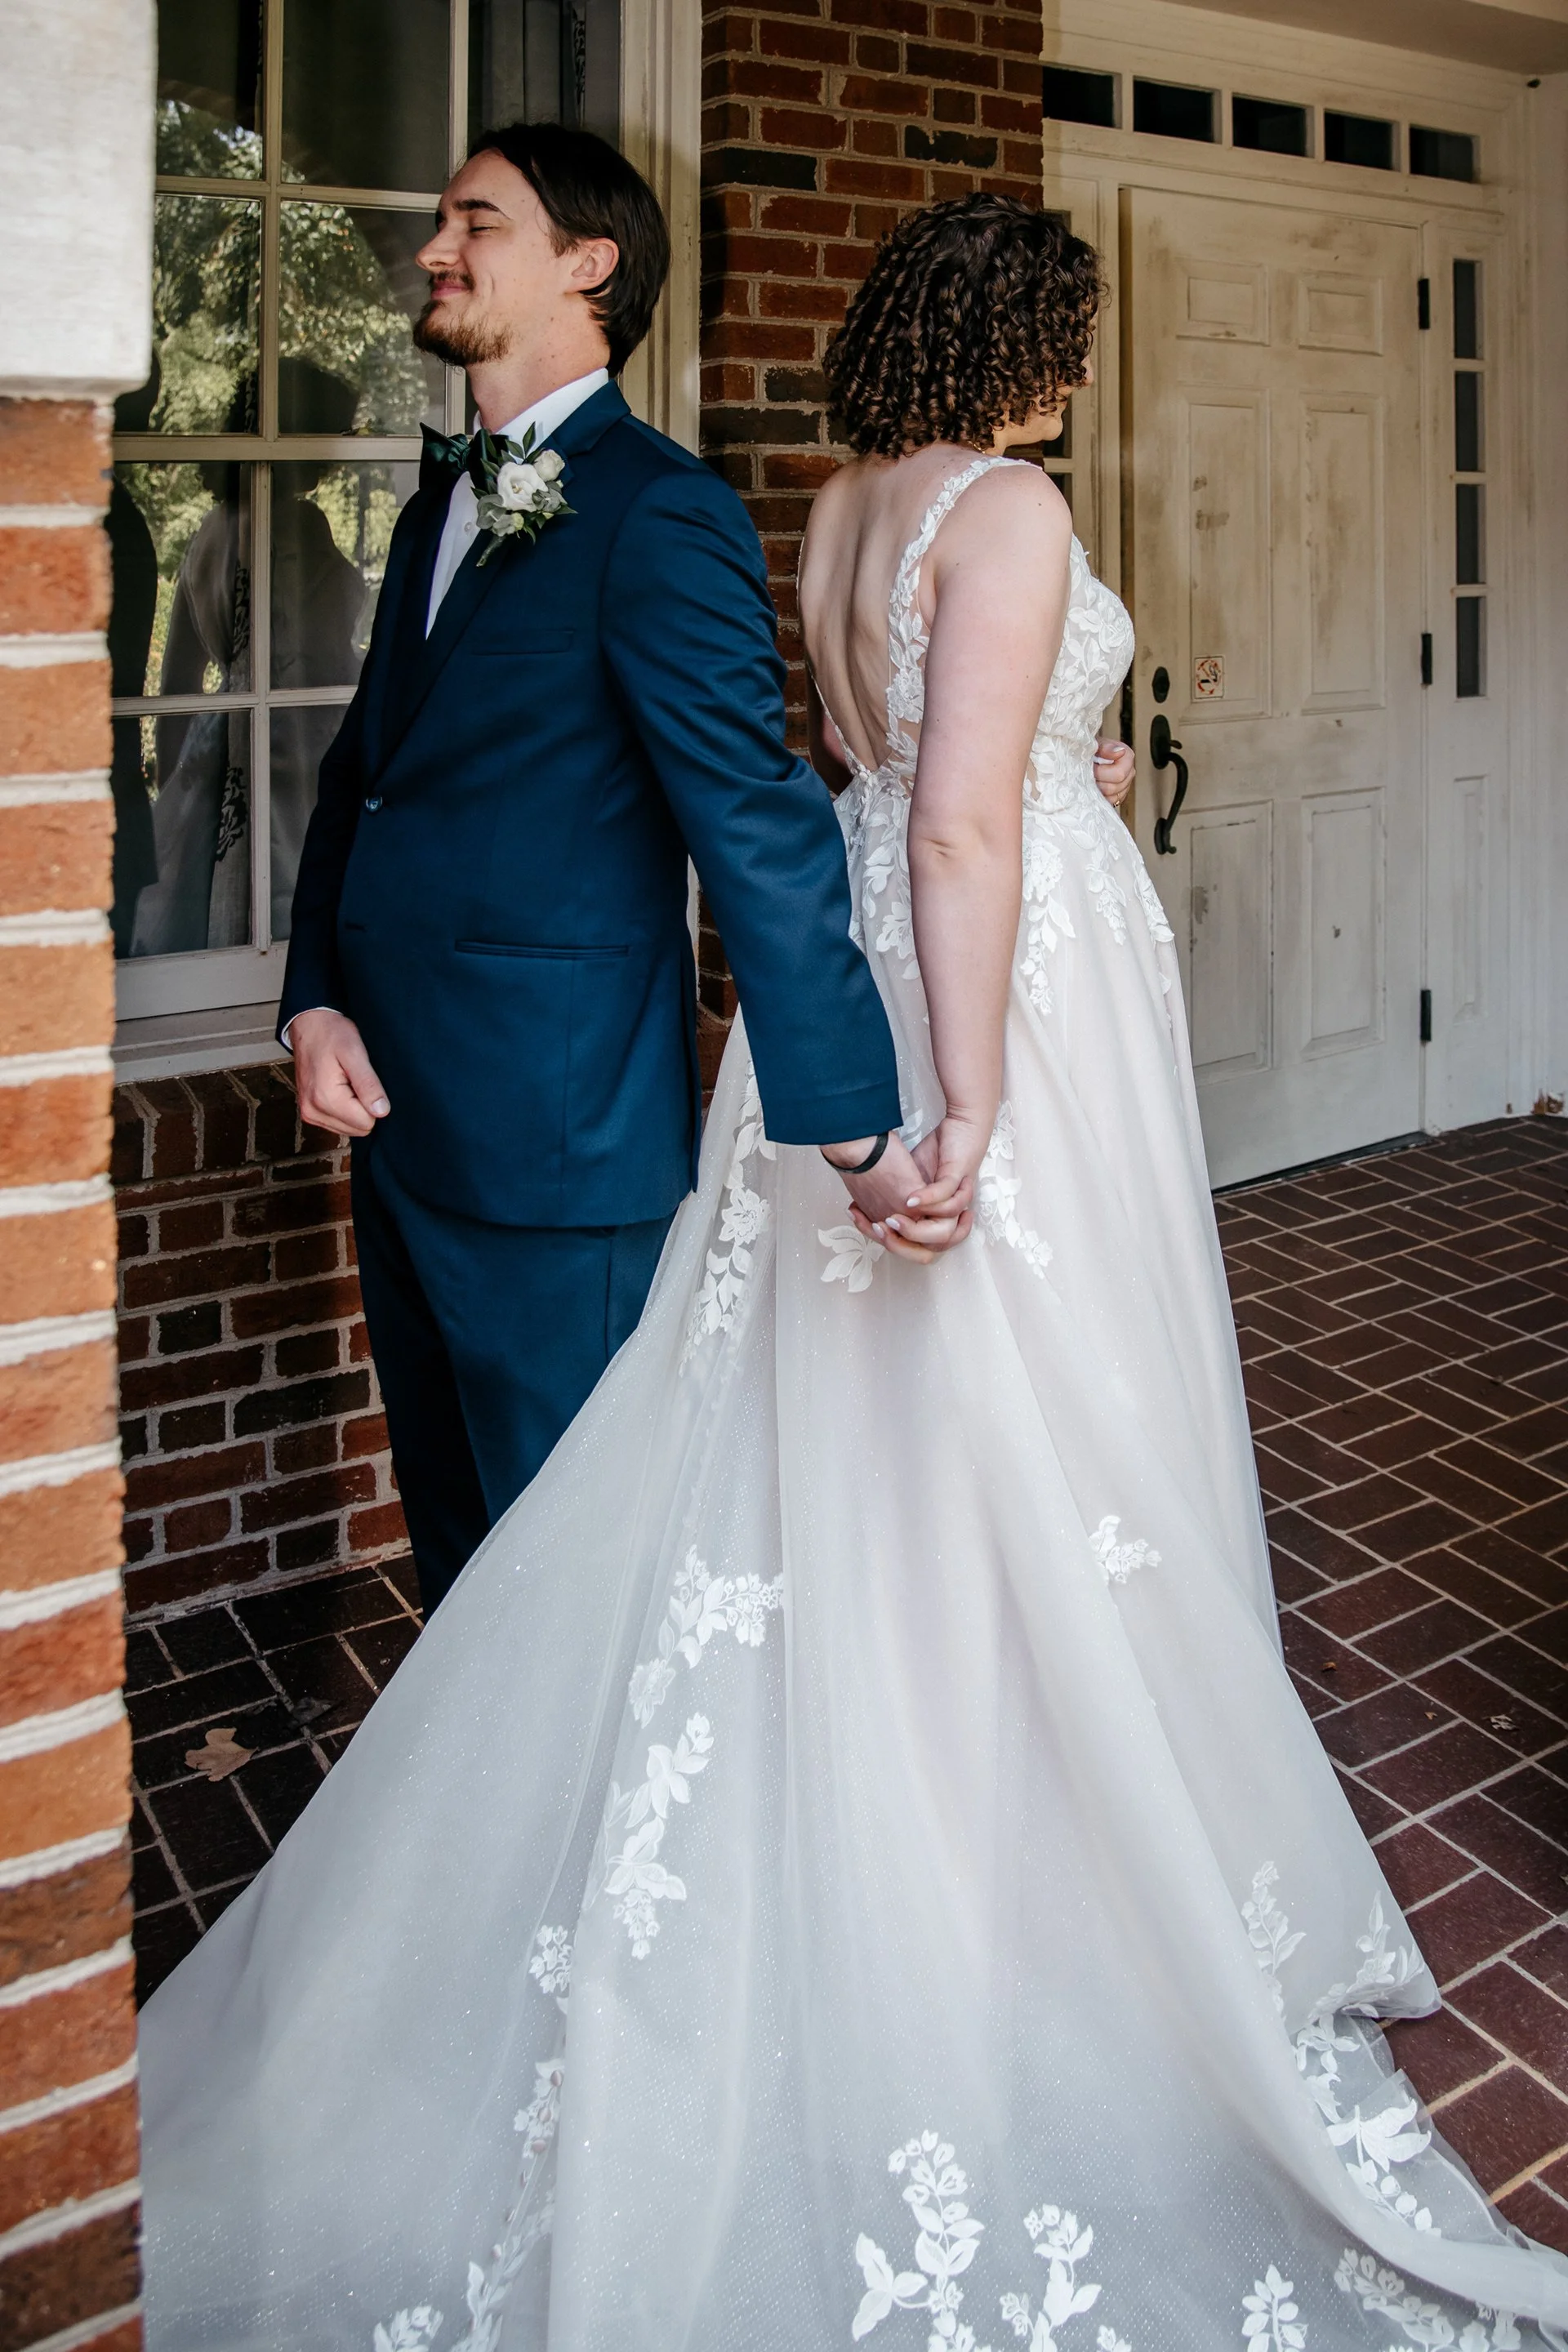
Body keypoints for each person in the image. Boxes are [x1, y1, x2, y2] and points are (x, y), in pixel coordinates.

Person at [139, 198, 1568, 2350]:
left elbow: (884, 771)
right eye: (1068, 332)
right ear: (1019, 335)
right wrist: (971, 1096)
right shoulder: (1011, 505)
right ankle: (1017, 1857)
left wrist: (1067, 769)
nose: (1079, 370)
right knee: (1038, 1403)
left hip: (860, 971)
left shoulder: (839, 509)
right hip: (993, 999)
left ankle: (910, 1762)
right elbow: (964, 827)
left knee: (846, 1431)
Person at [278, 124, 952, 1619]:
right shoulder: (435, 506)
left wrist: (853, 1128)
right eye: (443, 222)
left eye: (477, 223)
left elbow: (758, 826)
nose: (436, 249)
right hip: (394, 1117)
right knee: (461, 1567)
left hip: (556, 1148)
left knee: (574, 1584)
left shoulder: (663, 512)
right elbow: (362, 780)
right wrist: (313, 997)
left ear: (589, 263)